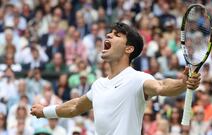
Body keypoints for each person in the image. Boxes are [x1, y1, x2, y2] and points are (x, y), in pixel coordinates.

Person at [30, 22, 201, 135]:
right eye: (110, 33)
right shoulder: (98, 85)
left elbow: (161, 86)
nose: (109, 36)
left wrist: (182, 83)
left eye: (117, 35)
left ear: (128, 49)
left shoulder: (137, 79)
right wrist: (44, 111)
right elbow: (75, 106)